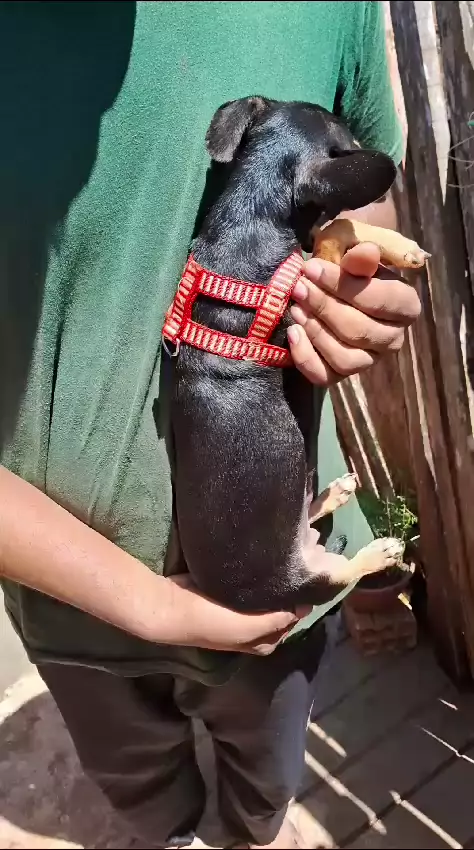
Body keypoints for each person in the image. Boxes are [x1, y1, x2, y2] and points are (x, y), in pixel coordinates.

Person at [0, 3, 420, 848]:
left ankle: (245, 834)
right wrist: (150, 607)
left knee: (265, 777)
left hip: (283, 554)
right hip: (68, 608)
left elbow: (369, 192)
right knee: (143, 784)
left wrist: (353, 276)